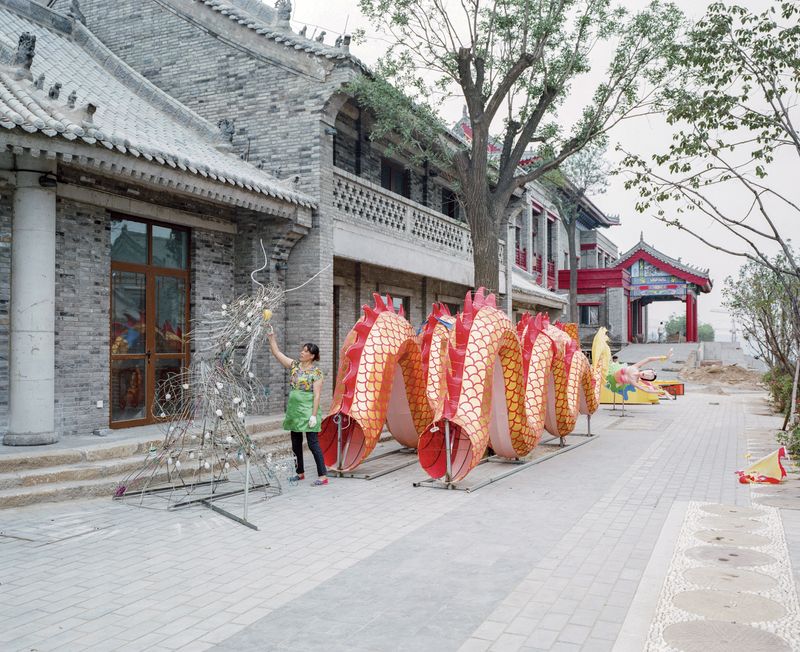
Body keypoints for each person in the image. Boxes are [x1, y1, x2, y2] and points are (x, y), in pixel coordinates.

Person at [267, 329, 328, 486]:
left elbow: (317, 395)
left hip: (308, 409)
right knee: (295, 442)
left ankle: (323, 476)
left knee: (313, 442)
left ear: (312, 356)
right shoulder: (294, 365)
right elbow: (277, 353)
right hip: (294, 409)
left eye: (305, 351)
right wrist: (271, 337)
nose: (302, 352)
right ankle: (299, 472)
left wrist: (314, 415)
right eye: (302, 350)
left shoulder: (317, 372)